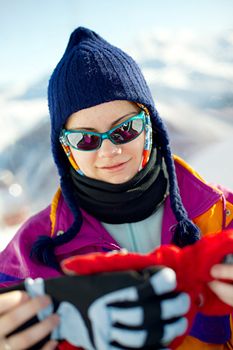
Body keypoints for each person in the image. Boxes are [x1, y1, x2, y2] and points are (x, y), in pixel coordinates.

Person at [0, 26, 232, 349]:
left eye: (124, 131)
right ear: (66, 150)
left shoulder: (222, 217)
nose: (109, 151)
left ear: (149, 126)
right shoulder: (31, 252)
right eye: (86, 139)